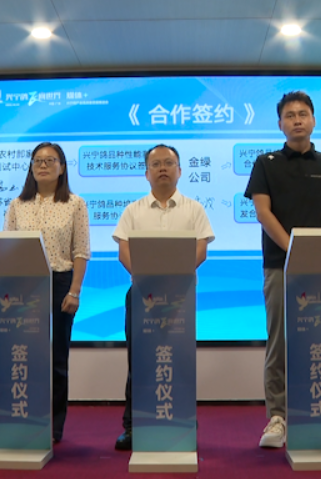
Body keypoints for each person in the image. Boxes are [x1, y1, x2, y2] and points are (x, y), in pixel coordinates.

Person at [244, 91, 321, 448]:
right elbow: (263, 212)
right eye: (290, 115)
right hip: (279, 266)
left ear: (313, 120)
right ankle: (277, 417)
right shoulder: (266, 163)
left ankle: (316, 411)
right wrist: (294, 250)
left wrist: (315, 249)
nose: (297, 120)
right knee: (279, 342)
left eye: (303, 114)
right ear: (280, 124)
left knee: (320, 340)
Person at [112, 144, 214, 451]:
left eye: (169, 163)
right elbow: (124, 252)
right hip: (142, 295)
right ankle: (133, 426)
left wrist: (172, 281)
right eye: (155, 164)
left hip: (181, 296)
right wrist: (148, 279)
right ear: (146, 173)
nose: (162, 168)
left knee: (179, 359)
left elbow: (200, 250)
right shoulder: (133, 210)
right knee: (139, 361)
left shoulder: (194, 209)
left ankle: (183, 420)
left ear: (179, 170)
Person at [3, 142, 90, 443]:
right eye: (37, 160)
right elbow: (7, 248)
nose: (43, 165)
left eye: (50, 160)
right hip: (24, 286)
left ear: (62, 167)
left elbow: (81, 251)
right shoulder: (17, 205)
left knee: (56, 359)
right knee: (24, 356)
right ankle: (24, 417)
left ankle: (53, 425)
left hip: (60, 282)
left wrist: (75, 291)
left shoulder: (75, 204)